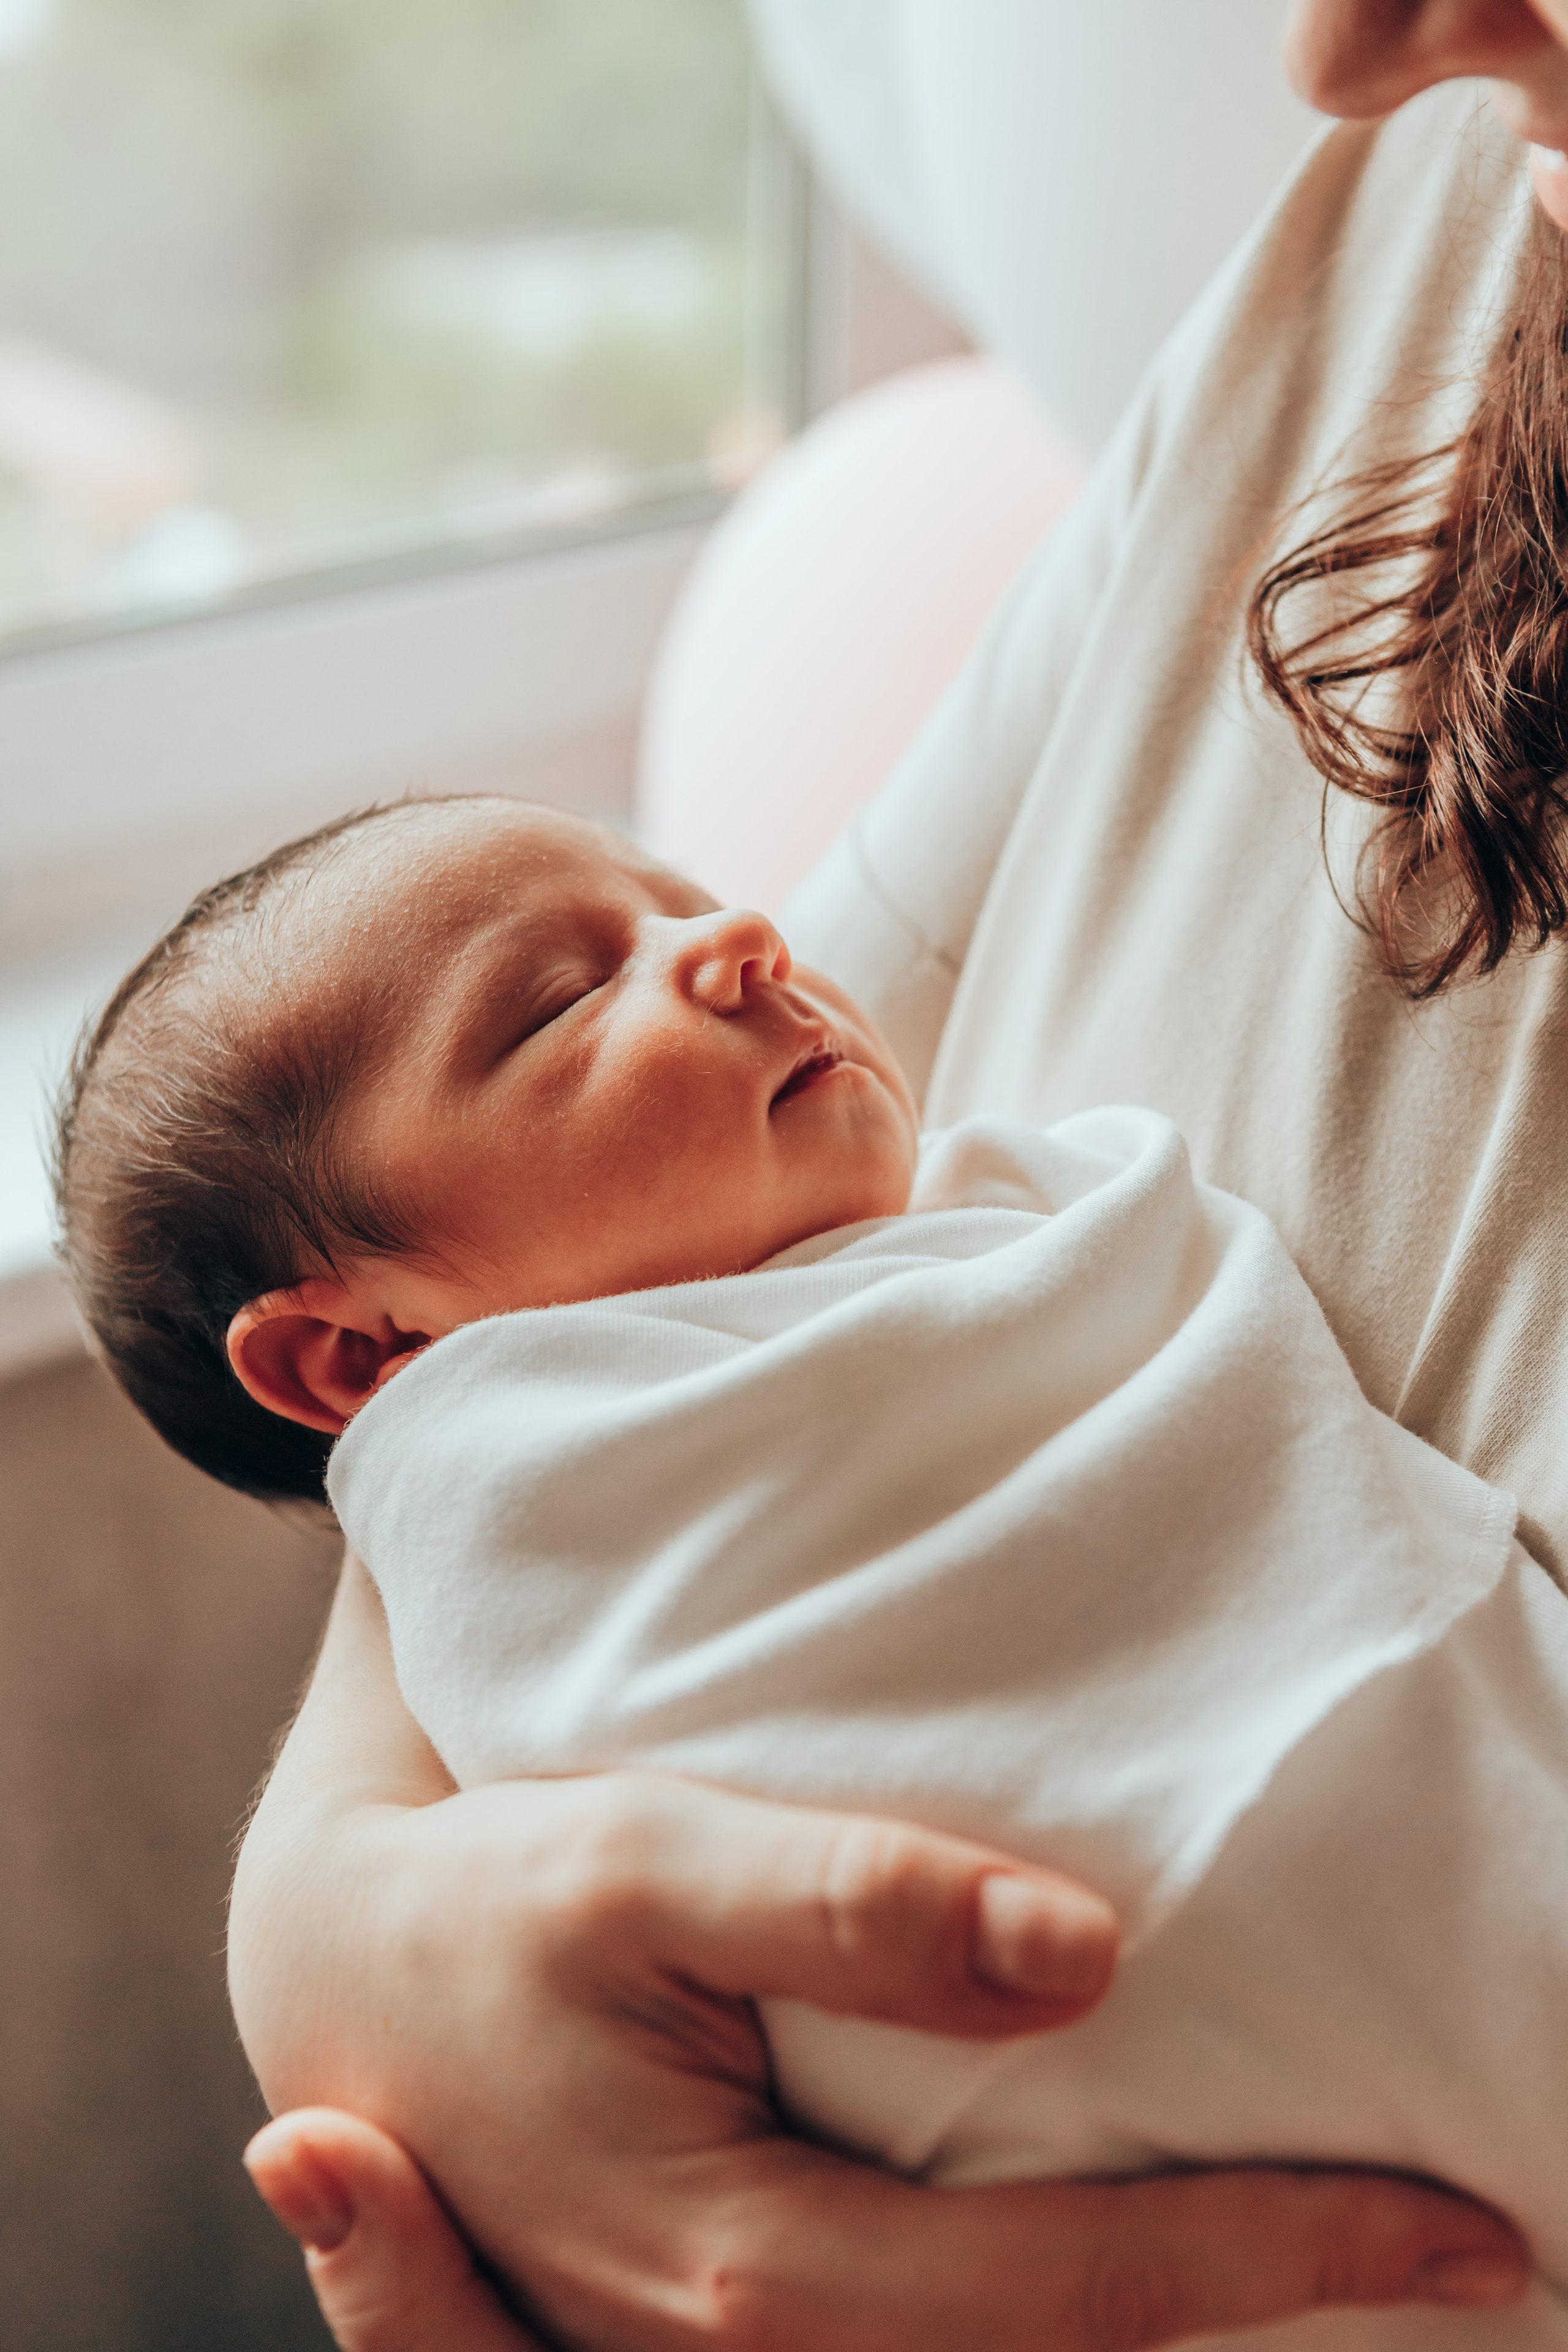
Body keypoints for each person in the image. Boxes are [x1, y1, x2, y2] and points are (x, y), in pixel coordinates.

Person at [228, 1, 1568, 2343]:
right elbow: (537, 1338)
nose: (1344, 46)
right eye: (576, 986)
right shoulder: (1437, 209)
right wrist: (345, 1916)